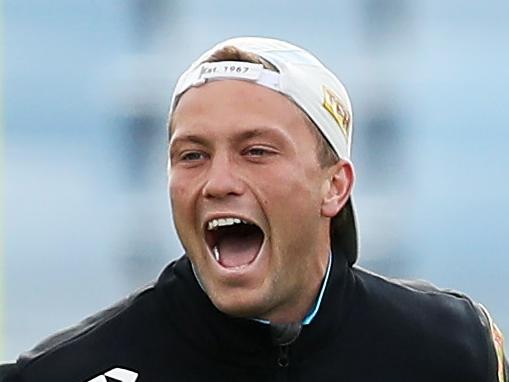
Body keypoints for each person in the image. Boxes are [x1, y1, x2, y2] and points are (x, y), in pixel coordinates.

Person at [1, 36, 507, 382]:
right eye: (192, 156)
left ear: (335, 186)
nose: (218, 182)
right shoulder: (73, 370)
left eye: (256, 151)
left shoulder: (455, 348)